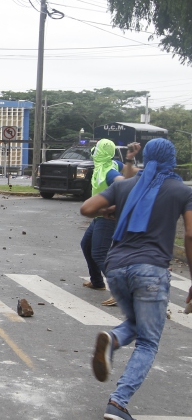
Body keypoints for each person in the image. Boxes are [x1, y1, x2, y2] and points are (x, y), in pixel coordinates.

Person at [81, 138, 192, 420]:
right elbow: (190, 234)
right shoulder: (182, 190)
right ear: (172, 159)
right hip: (151, 271)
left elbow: (86, 209)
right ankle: (117, 403)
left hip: (116, 268)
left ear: (145, 158)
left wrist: (111, 209)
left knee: (136, 323)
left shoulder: (125, 186)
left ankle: (113, 338)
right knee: (148, 341)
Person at [81, 139, 125, 307]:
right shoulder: (110, 164)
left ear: (101, 153)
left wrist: (115, 207)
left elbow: (122, 183)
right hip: (99, 217)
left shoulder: (109, 172)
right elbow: (123, 167)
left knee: (100, 253)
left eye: (97, 149)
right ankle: (97, 281)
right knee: (86, 245)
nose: (94, 152)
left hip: (107, 218)